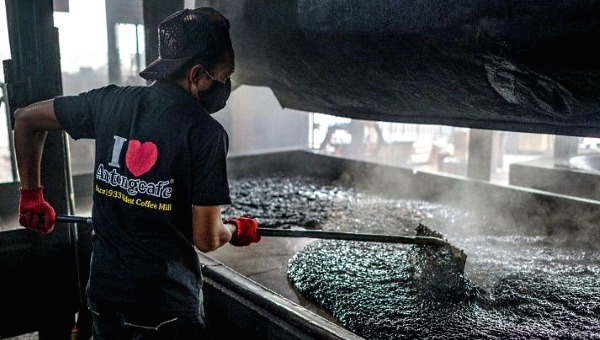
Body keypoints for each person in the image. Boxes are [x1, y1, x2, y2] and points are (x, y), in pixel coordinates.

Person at [13, 7, 261, 339]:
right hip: (164, 309)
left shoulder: (108, 102)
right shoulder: (205, 133)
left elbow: (26, 119)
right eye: (223, 75)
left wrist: (31, 196)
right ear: (198, 74)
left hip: (103, 296)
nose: (225, 85)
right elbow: (206, 237)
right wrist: (236, 229)